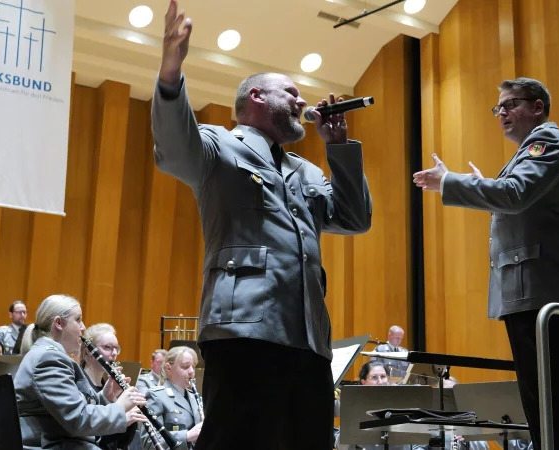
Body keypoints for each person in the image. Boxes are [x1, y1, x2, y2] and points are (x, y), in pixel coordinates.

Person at [153, 2, 372, 449]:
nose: (302, 101)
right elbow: (175, 150)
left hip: (308, 339)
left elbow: (354, 218)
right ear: (256, 97)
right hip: (244, 330)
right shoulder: (220, 145)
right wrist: (171, 72)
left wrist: (341, 149)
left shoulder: (306, 171)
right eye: (290, 93)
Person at [413, 77, 559, 449]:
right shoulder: (525, 151)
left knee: (551, 401)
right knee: (540, 401)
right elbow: (515, 199)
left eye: (510, 104)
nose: (502, 113)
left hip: (544, 291)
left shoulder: (548, 143)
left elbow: (513, 194)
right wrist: (484, 188)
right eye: (498, 108)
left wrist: (450, 182)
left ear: (537, 107)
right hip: (530, 292)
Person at [14, 294, 148, 449]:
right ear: (58, 323)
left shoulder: (46, 354)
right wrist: (121, 406)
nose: (83, 327)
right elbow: (78, 420)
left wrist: (104, 397)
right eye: (78, 320)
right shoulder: (49, 358)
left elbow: (71, 410)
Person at [80, 323, 140, 450]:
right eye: (107, 347)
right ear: (88, 352)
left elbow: (120, 444)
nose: (114, 353)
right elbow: (87, 434)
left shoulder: (108, 386)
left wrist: (129, 420)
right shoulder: (78, 384)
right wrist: (121, 419)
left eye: (116, 348)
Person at [142, 346, 203, 449]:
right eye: (185, 366)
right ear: (168, 368)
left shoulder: (195, 397)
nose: (191, 371)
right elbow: (148, 442)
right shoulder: (155, 396)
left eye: (193, 366)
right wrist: (187, 436)